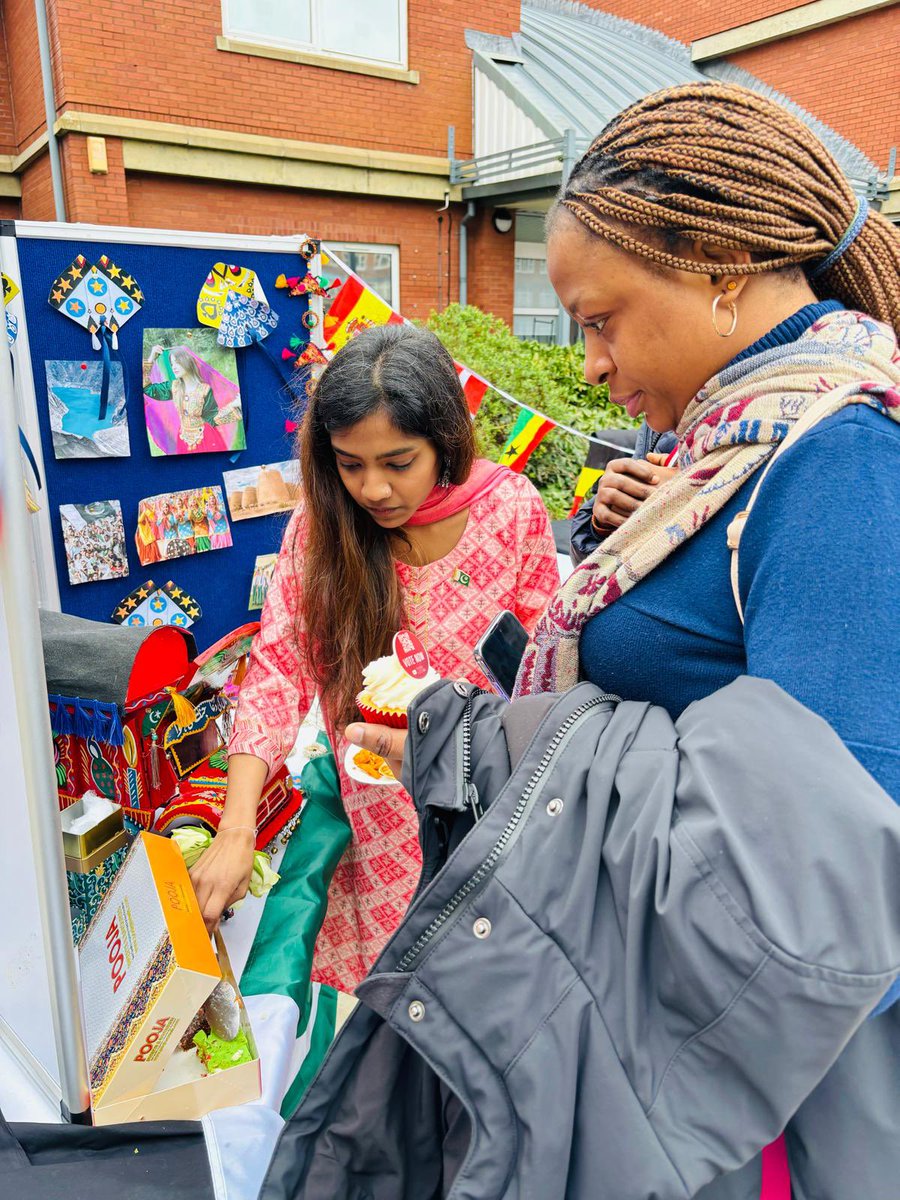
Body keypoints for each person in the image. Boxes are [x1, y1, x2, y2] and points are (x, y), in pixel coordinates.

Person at [348, 82, 900, 1198]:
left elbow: (828, 889)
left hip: (757, 1109)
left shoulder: (841, 462)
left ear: (715, 267)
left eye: (599, 320)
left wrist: (492, 738)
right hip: (679, 1068)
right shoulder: (720, 457)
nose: (589, 363)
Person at [190, 323, 560, 990]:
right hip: (377, 830)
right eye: (350, 464)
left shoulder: (510, 511)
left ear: (444, 440)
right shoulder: (320, 529)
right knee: (387, 1015)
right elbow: (277, 670)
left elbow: (539, 676)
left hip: (490, 816)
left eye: (397, 463)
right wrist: (234, 827)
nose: (374, 490)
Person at [143, 343, 243, 453]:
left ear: (187, 363)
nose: (174, 367)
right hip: (183, 440)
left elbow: (212, 419)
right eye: (172, 364)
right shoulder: (174, 387)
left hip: (206, 439)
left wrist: (233, 405)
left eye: (177, 363)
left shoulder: (204, 390)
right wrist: (152, 356)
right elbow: (147, 388)